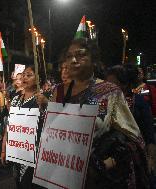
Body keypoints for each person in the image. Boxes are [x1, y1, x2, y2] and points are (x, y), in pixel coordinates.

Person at [37, 38, 150, 188]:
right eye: (69, 56)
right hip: (60, 175)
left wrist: (106, 164)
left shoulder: (110, 92)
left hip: (96, 180)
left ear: (94, 60)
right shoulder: (57, 92)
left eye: (81, 54)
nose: (74, 60)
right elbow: (51, 131)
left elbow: (133, 138)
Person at [1, 65, 45, 189]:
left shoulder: (42, 99)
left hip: (35, 153)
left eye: (29, 75)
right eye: (24, 74)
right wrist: (4, 148)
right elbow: (10, 126)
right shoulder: (15, 100)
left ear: (38, 79)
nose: (25, 77)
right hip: (17, 150)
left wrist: (46, 104)